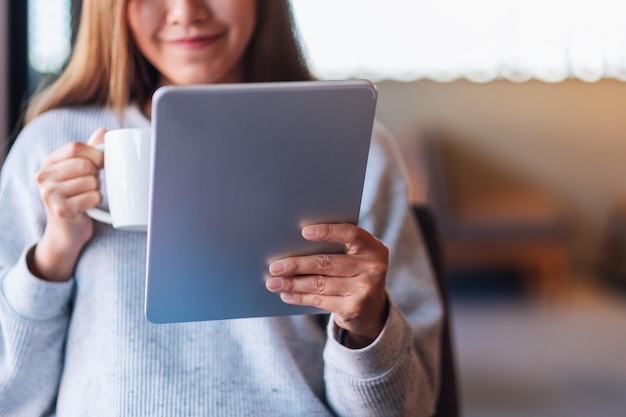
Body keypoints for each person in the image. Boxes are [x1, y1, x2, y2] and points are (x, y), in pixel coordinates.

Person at [0, 1, 442, 416]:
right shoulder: (49, 149)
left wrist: (367, 327)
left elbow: (411, 405)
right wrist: (54, 254)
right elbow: (11, 397)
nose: (186, 13)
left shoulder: (360, 148)